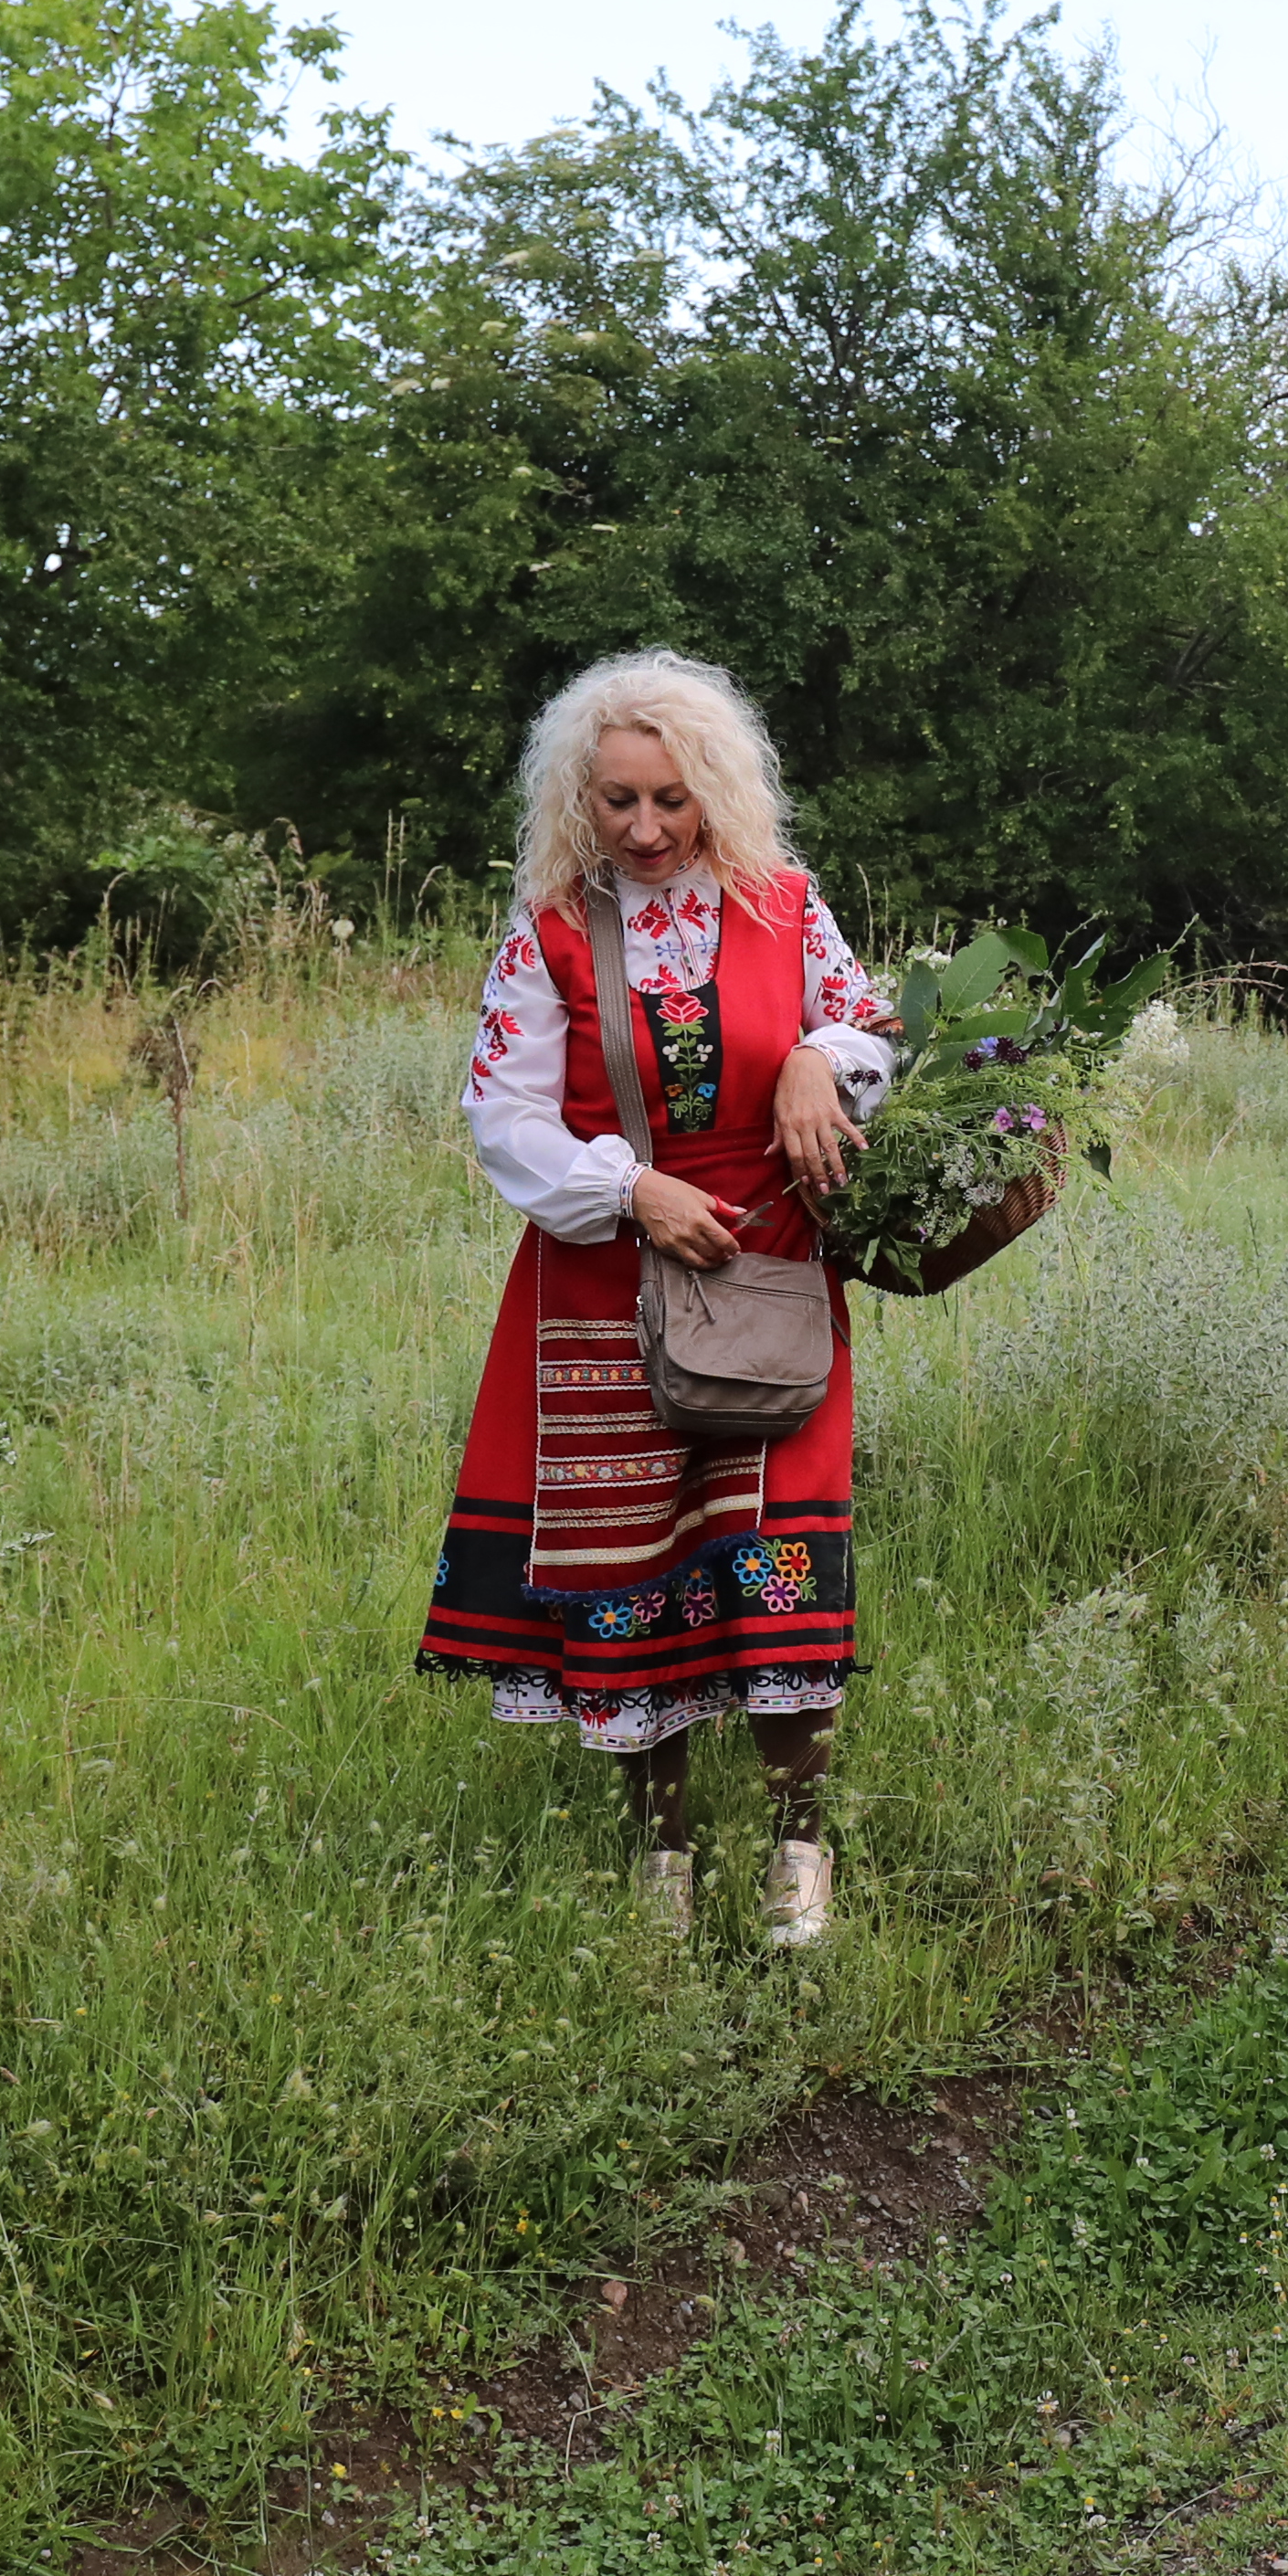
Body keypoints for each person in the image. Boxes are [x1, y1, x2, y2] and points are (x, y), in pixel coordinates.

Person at [416, 650, 903, 1948]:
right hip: (601, 1285)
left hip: (767, 1280)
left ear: (716, 793)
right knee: (634, 1569)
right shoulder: (551, 931)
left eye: (671, 800)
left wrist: (816, 1054)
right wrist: (631, 1189)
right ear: (583, 798)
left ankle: (801, 1846)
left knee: (780, 1558)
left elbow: (878, 1036)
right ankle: (662, 1853)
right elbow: (502, 1115)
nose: (644, 829)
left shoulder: (786, 906)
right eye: (618, 800)